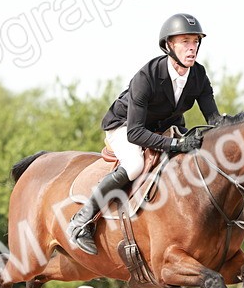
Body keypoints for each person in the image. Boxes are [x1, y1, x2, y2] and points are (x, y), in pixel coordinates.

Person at [67, 13, 222, 255]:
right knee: (134, 165)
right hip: (125, 126)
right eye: (185, 42)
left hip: (164, 127)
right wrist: (177, 143)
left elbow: (214, 120)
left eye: (195, 42)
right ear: (169, 45)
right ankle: (81, 220)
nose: (192, 48)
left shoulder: (198, 76)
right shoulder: (146, 77)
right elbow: (135, 133)